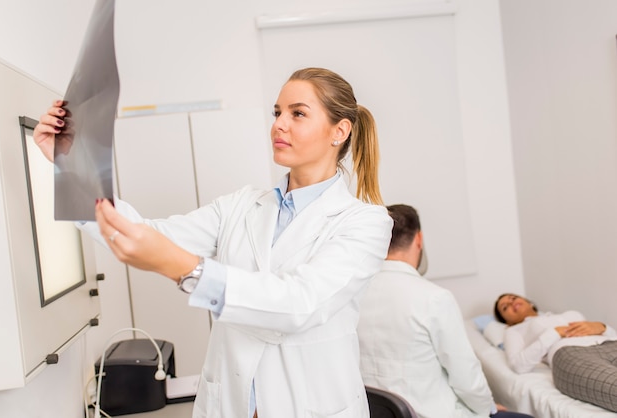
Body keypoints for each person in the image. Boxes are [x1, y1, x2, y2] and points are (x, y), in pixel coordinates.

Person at [34, 68, 393, 418]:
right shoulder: (240, 206)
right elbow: (146, 232)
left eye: (298, 113)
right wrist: (71, 163)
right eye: (277, 112)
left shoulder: (365, 223)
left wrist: (186, 269)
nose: (279, 124)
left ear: (340, 131)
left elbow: (299, 305)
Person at [357, 204, 533, 418]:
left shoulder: (353, 296)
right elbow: (466, 377)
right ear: (419, 239)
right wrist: (489, 407)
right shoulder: (433, 298)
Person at [494, 293, 617, 412]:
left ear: (529, 303)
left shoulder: (567, 314)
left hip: (609, 344)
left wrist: (603, 328)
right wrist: (554, 333)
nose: (511, 303)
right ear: (507, 321)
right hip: (571, 354)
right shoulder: (513, 330)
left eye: (513, 298)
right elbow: (518, 365)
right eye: (505, 307)